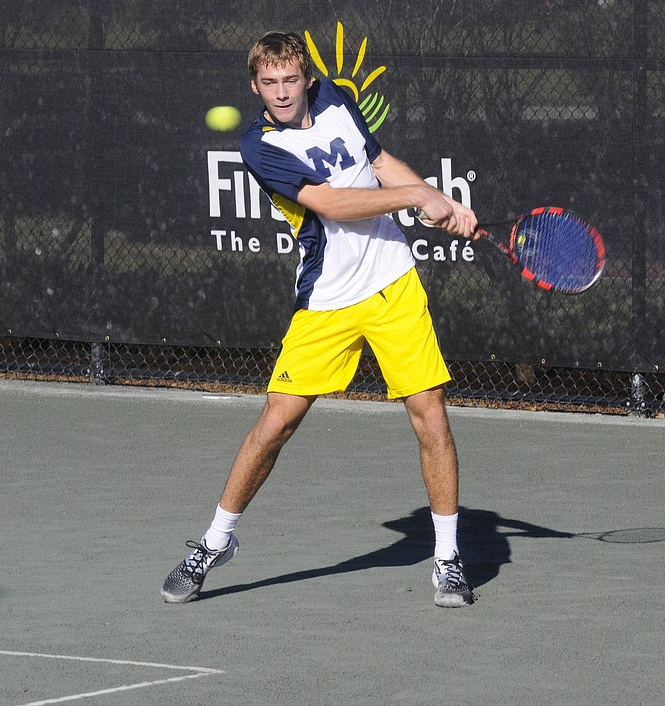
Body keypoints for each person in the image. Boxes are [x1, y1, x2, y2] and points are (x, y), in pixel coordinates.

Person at [162, 31, 480, 608]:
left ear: (307, 78)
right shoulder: (258, 147)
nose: (282, 93)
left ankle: (448, 558)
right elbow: (332, 202)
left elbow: (377, 160)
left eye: (290, 80)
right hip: (326, 300)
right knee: (276, 424)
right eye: (269, 83)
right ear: (254, 86)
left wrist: (440, 199)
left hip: (392, 284)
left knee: (429, 413)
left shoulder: (336, 98)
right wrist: (418, 200)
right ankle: (215, 540)